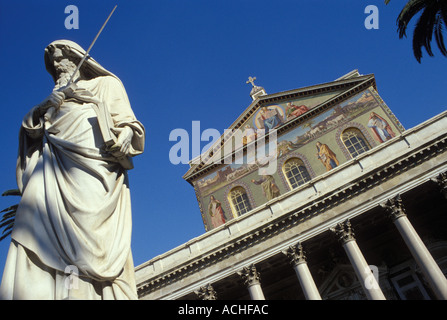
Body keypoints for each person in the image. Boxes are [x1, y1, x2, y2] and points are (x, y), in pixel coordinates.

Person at [0, 40, 145, 300]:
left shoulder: (105, 84)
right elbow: (31, 135)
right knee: (32, 223)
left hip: (95, 168)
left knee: (95, 237)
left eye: (60, 59)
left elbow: (129, 123)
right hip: (53, 171)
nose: (56, 66)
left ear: (76, 57)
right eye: (52, 63)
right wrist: (44, 108)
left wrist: (125, 134)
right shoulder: (52, 100)